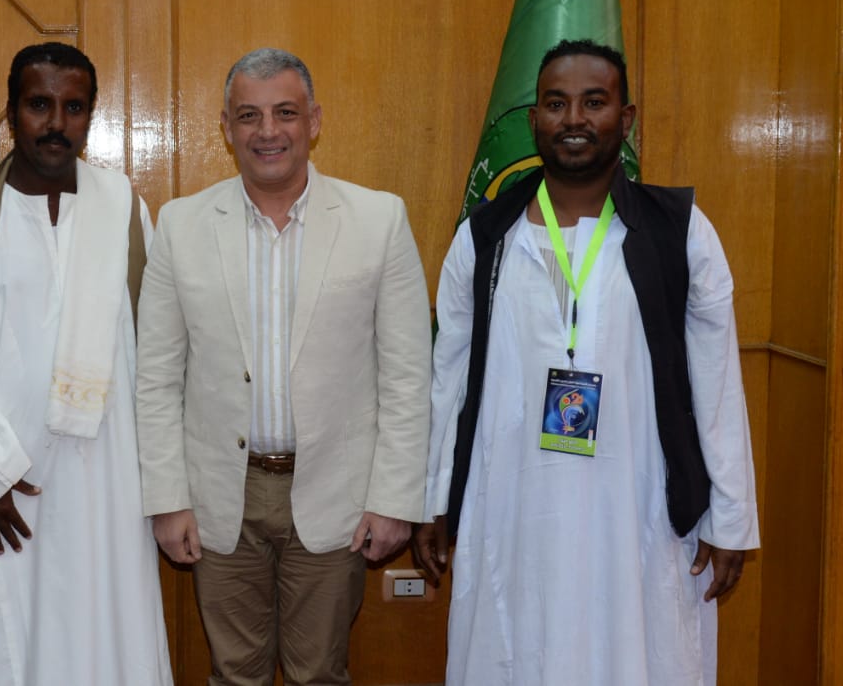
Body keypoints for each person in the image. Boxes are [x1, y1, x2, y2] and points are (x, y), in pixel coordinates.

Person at [415, 39, 760, 686]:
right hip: (510, 505)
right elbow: (449, 379)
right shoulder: (484, 237)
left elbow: (716, 384)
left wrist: (730, 516)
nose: (574, 118)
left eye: (593, 102)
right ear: (534, 121)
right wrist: (435, 498)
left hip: (638, 512)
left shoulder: (680, 232)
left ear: (624, 119)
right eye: (556, 103)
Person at [136, 47, 432, 685]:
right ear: (226, 127)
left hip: (336, 495)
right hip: (220, 496)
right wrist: (166, 499)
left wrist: (394, 500)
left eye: (285, 113)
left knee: (317, 674)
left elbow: (408, 376)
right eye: (249, 115)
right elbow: (155, 379)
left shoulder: (379, 220)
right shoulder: (181, 226)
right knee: (233, 674)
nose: (267, 131)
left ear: (314, 120)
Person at [0, 42, 172, 685]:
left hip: (106, 487)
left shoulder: (124, 209)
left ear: (91, 115)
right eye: (39, 105)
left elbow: (153, 353)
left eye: (74, 107)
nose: (56, 123)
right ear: (11, 112)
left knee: (105, 643)